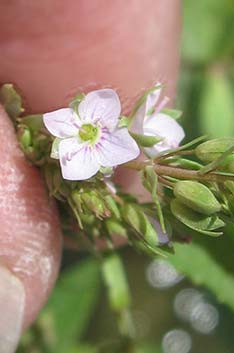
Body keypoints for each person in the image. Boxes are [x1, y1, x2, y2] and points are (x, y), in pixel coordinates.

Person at [0, 1, 181, 352]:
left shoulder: (111, 145)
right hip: (76, 142)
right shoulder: (74, 127)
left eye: (88, 132)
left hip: (87, 148)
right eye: (86, 130)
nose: (87, 132)